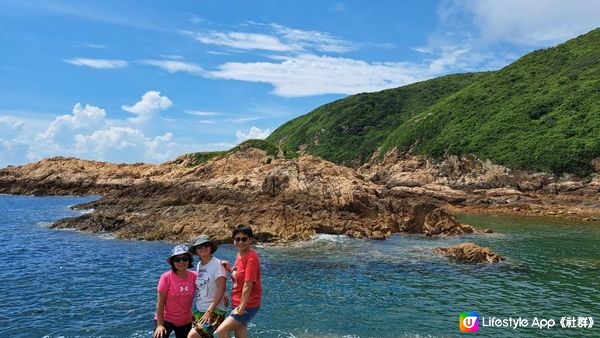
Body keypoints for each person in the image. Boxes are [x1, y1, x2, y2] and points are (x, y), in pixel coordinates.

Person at [215, 224, 262, 338]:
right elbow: (239, 276)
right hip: (238, 302)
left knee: (220, 332)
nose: (241, 242)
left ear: (250, 239)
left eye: (244, 239)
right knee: (240, 335)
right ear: (233, 241)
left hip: (247, 305)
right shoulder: (240, 254)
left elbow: (248, 285)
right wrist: (230, 270)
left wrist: (241, 308)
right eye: (237, 239)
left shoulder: (251, 257)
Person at [187, 235, 228, 338]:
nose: (203, 248)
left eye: (206, 245)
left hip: (215, 310)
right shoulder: (199, 265)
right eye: (199, 246)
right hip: (199, 308)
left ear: (211, 247)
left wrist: (210, 310)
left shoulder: (217, 264)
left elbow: (221, 288)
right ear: (196, 251)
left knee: (192, 335)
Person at [154, 245, 197, 338]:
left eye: (184, 258)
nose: (181, 262)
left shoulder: (195, 276)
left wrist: (223, 295)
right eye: (177, 259)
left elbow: (209, 285)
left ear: (189, 260)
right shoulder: (166, 277)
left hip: (185, 320)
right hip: (166, 319)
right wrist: (160, 325)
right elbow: (160, 302)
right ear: (173, 262)